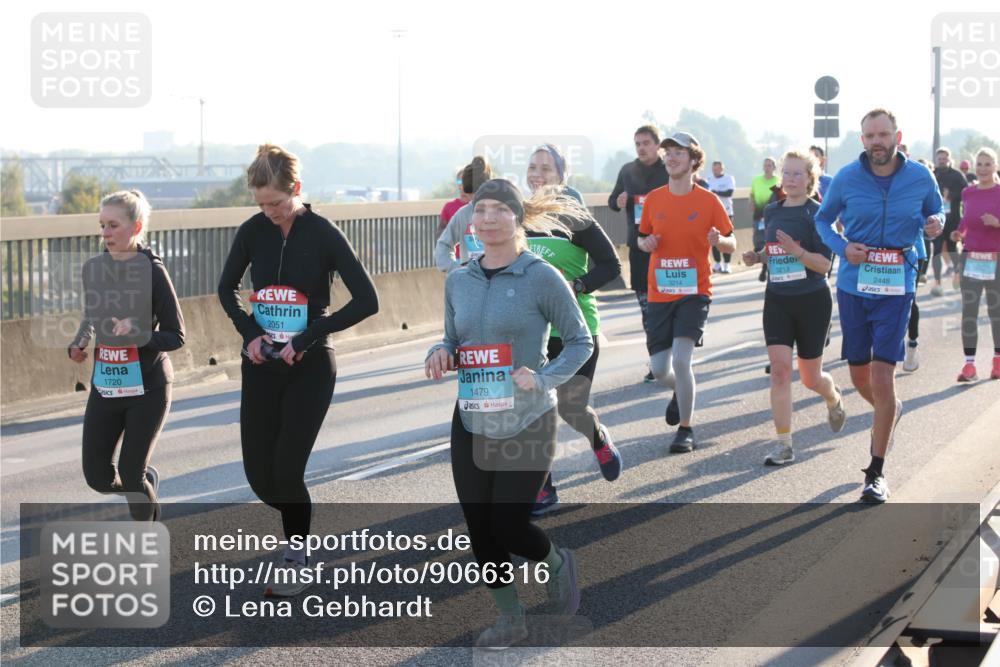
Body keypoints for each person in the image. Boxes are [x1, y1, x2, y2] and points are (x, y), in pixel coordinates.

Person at [424, 179, 593, 649]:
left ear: (518, 219)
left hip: (528, 418)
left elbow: (581, 341)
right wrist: (441, 351)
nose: (489, 218)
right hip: (473, 417)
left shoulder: (540, 276)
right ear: (471, 221)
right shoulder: (459, 278)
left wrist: (542, 378)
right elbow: (452, 339)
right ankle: (510, 617)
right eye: (481, 211)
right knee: (479, 525)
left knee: (508, 525)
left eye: (500, 209)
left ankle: (556, 562)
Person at [218, 144, 379, 596]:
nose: (268, 211)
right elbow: (225, 289)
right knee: (259, 476)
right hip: (261, 365)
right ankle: (299, 519)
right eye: (261, 203)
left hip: (310, 366)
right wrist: (250, 334)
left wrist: (307, 338)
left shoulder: (324, 233)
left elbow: (368, 301)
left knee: (287, 472)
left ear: (297, 190)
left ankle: (296, 556)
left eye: (276, 202)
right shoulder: (253, 231)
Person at [814, 109, 944, 503]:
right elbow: (823, 221)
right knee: (858, 378)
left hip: (897, 286)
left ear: (897, 136)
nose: (877, 142)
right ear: (862, 139)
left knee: (883, 376)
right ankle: (890, 411)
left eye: (883, 134)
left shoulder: (921, 176)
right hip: (854, 287)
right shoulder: (847, 179)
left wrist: (936, 221)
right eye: (870, 135)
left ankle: (875, 473)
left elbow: (936, 210)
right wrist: (842, 248)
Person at [69, 189, 185, 523]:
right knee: (97, 477)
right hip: (107, 385)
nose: (105, 233)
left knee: (131, 472)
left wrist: (138, 336)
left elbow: (176, 335)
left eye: (113, 225)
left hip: (148, 387)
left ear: (135, 228)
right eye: (102, 225)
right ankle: (145, 485)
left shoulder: (152, 271)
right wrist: (79, 343)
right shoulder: (94, 269)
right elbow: (92, 317)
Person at [522, 144, 624, 516]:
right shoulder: (517, 217)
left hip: (576, 329)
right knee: (535, 407)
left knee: (571, 406)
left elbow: (610, 265)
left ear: (561, 176)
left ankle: (597, 437)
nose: (537, 174)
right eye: (532, 167)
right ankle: (543, 489)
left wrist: (575, 287)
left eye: (545, 168)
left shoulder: (574, 217)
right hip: (531, 332)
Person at [741, 151, 845, 465]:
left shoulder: (819, 214)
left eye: (798, 174)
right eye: (787, 173)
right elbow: (773, 250)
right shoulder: (772, 211)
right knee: (781, 372)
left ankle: (833, 396)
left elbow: (824, 263)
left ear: (811, 180)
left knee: (811, 378)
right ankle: (784, 444)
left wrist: (796, 250)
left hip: (812, 299)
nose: (790, 179)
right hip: (778, 299)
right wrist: (758, 257)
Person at [637, 132, 737, 452]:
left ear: (694, 160)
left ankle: (686, 430)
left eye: (679, 152)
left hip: (695, 292)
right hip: (659, 293)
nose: (671, 158)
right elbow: (641, 238)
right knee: (659, 369)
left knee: (681, 360)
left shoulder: (709, 201)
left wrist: (718, 242)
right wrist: (646, 243)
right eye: (668, 152)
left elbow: (731, 241)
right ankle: (681, 392)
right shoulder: (653, 199)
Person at [608, 125, 670, 382]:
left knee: (669, 306)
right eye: (637, 144)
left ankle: (674, 356)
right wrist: (619, 201)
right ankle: (656, 364)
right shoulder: (627, 171)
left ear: (658, 145)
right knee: (648, 311)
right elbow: (612, 202)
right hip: (639, 249)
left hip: (668, 249)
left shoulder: (670, 169)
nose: (641, 148)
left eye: (646, 143)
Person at [951, 147, 1000, 381]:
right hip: (971, 257)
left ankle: (997, 361)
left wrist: (997, 223)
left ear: (996, 166)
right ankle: (969, 365)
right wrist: (959, 232)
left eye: (987, 164)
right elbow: (966, 219)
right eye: (979, 164)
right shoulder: (967, 193)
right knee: (969, 312)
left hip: (996, 259)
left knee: (996, 312)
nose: (982, 168)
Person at [435, 156, 494, 272]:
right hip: (470, 283)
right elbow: (442, 244)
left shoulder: (504, 213)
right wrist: (458, 268)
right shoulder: (463, 214)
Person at [931, 147, 969, 295]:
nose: (941, 161)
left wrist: (951, 195)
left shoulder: (957, 175)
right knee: (937, 250)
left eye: (944, 158)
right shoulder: (932, 174)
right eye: (939, 158)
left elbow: (967, 194)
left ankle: (958, 277)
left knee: (953, 250)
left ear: (949, 159)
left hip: (953, 219)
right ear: (936, 160)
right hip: (935, 220)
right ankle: (937, 283)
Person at [750, 158, 781, 282]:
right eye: (765, 165)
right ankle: (764, 265)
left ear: (774, 167)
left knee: (770, 242)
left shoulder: (778, 181)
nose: (767, 168)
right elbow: (752, 194)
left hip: (773, 216)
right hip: (758, 215)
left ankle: (766, 268)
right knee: (758, 244)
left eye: (769, 165)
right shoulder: (756, 180)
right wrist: (751, 203)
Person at [706, 160, 736, 273]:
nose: (715, 171)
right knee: (714, 237)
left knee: (726, 237)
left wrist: (715, 192)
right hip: (712, 213)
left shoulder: (728, 178)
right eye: (714, 169)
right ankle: (717, 263)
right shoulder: (709, 179)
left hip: (727, 212)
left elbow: (729, 193)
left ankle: (727, 264)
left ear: (722, 169)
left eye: (718, 169)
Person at [437, 168, 467, 235]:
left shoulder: (478, 206)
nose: (461, 185)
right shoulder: (448, 207)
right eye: (459, 181)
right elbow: (440, 233)